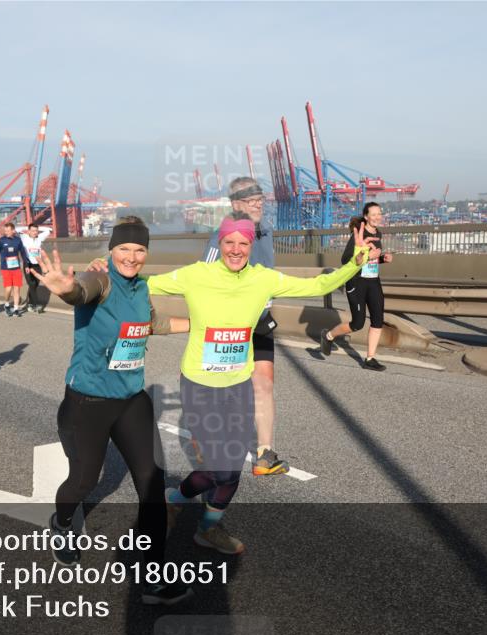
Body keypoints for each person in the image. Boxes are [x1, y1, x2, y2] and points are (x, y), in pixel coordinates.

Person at [141, 218, 376, 555]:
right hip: (199, 385)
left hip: (238, 385)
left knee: (231, 469)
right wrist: (107, 270)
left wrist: (354, 263)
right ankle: (175, 499)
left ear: (251, 246)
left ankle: (202, 525)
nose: (236, 250)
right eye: (229, 242)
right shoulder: (195, 275)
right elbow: (145, 282)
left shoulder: (263, 279)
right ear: (220, 244)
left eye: (244, 243)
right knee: (221, 467)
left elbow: (317, 285)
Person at [31, 217, 192, 606]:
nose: (132, 257)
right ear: (111, 250)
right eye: (124, 249)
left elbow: (152, 323)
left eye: (139, 250)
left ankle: (153, 577)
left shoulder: (141, 287)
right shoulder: (100, 279)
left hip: (132, 400)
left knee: (152, 484)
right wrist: (67, 288)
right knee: (83, 481)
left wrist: (201, 324)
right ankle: (62, 524)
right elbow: (82, 290)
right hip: (87, 403)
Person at [199, 177, 288, 476]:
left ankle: (264, 455)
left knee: (264, 383)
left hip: (260, 321)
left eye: (260, 199)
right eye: (251, 200)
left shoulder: (266, 231)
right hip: (229, 326)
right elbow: (203, 279)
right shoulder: (222, 236)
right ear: (236, 204)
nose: (258, 204)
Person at [319, 202, 394, 370]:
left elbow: (372, 258)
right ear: (366, 216)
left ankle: (370, 359)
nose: (377, 217)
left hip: (373, 281)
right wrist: (366, 255)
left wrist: (382, 259)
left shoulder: (378, 234)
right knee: (357, 324)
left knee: (377, 320)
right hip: (356, 282)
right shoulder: (358, 236)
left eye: (379, 214)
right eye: (373, 214)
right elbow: (346, 260)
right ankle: (328, 335)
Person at [0, 222, 30, 317]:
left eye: (8, 231)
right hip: (5, 268)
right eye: (5, 231)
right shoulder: (2, 240)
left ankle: (16, 309)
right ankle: (7, 304)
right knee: (8, 288)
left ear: (13, 230)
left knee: (17, 289)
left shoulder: (18, 240)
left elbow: (23, 253)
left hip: (16, 268)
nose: (6, 232)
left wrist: (26, 266)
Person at [16, 222, 52, 313]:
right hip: (28, 264)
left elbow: (49, 230)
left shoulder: (39, 238)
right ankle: (37, 304)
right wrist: (27, 228)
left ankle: (30, 304)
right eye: (32, 231)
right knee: (31, 284)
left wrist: (38, 229)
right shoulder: (24, 237)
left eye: (36, 231)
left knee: (35, 285)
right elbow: (16, 229)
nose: (35, 232)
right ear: (28, 231)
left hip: (38, 265)